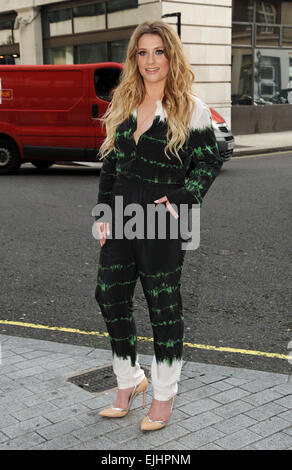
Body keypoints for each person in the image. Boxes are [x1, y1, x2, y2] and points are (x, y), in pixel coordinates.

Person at [94, 20, 223, 432]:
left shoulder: (191, 106)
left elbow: (208, 161)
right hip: (123, 214)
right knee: (109, 296)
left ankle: (164, 395)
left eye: (158, 51)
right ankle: (129, 381)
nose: (150, 60)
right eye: (142, 52)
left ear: (171, 55)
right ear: (135, 59)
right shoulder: (124, 102)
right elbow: (111, 165)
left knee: (163, 307)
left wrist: (184, 198)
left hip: (163, 218)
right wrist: (103, 213)